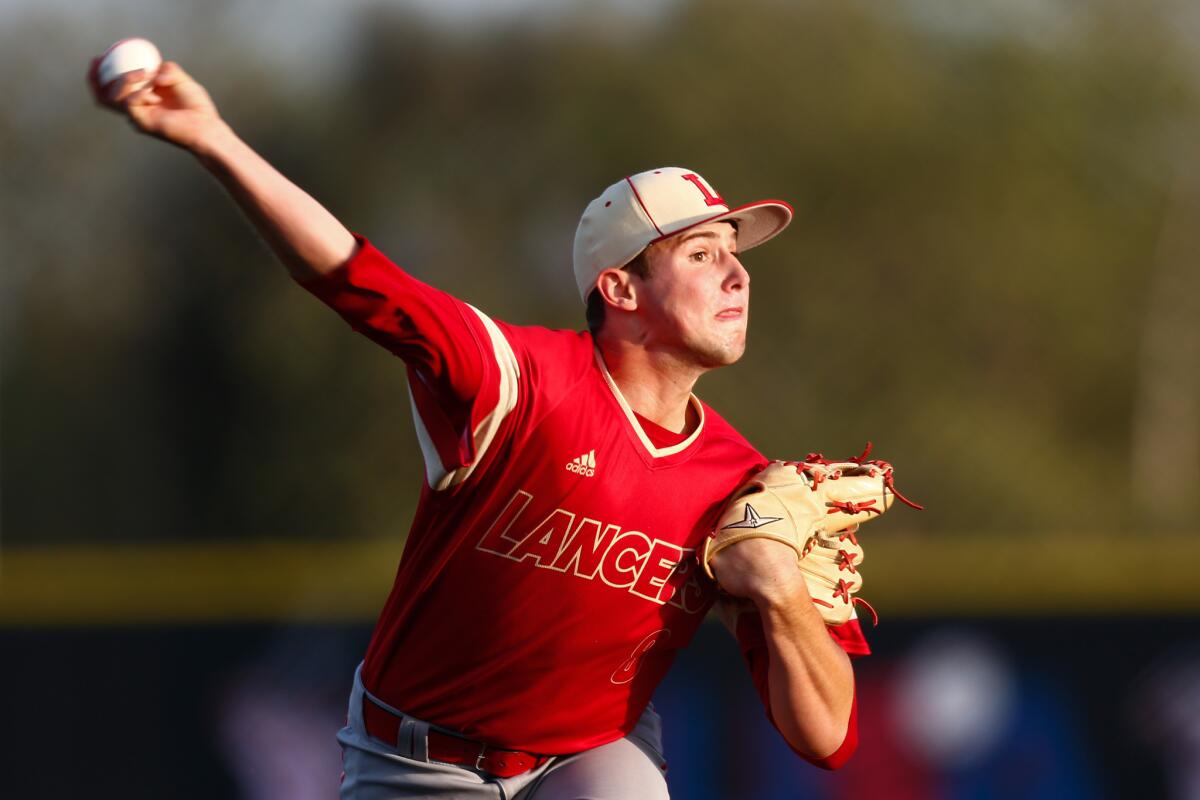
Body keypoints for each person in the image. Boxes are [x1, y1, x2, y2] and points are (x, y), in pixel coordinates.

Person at [90, 56, 869, 799]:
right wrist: (214, 140)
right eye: (703, 254)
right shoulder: (520, 381)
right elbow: (359, 281)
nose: (737, 274)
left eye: (735, 254)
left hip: (590, 758)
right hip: (416, 756)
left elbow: (829, 738)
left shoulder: (742, 488)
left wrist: (779, 594)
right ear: (620, 289)